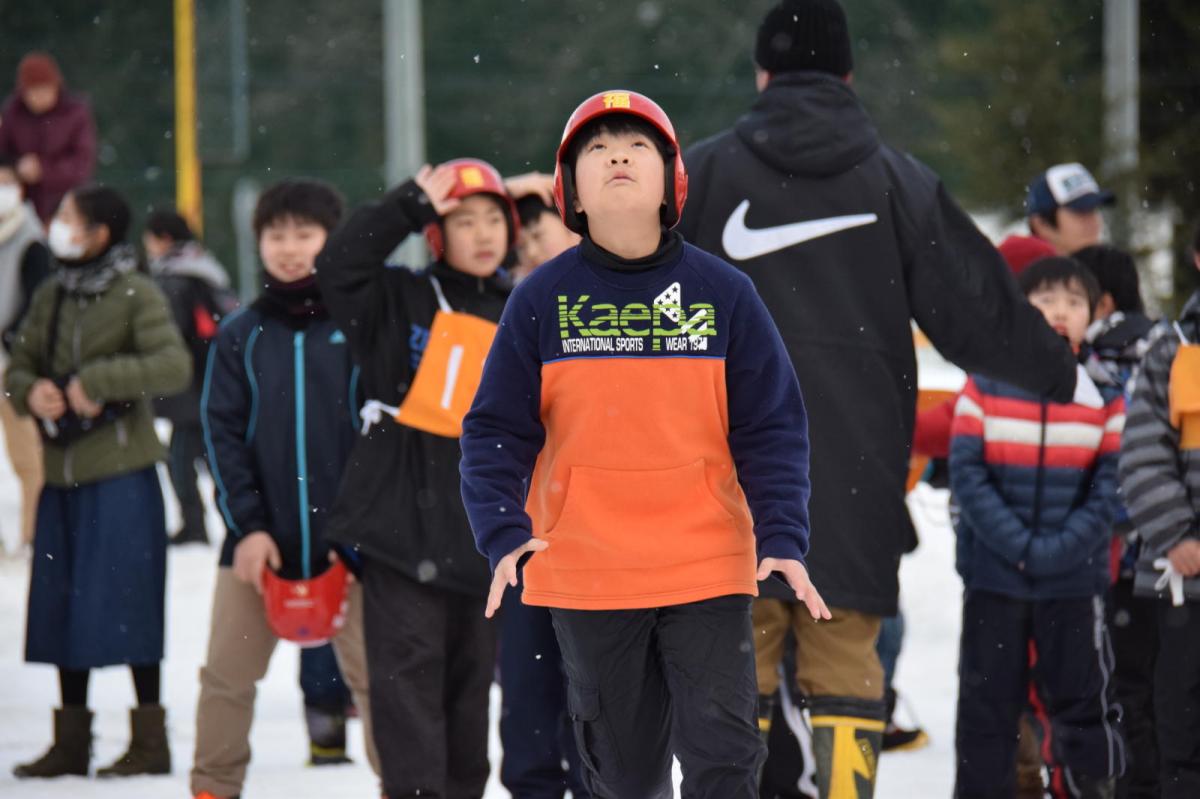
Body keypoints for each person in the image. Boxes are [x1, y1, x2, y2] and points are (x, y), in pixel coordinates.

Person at [677, 2, 1078, 794]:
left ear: (762, 73)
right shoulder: (896, 179)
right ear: (849, 73)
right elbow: (978, 310)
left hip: (731, 469)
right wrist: (1058, 371)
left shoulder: (707, 175)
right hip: (857, 468)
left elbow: (637, 298)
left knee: (737, 657)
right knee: (846, 657)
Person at [461, 89, 828, 799]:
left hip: (706, 564)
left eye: (637, 145)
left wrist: (782, 531)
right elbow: (495, 429)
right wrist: (503, 530)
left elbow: (772, 426)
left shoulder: (726, 293)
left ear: (673, 179)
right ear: (571, 190)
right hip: (589, 570)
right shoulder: (539, 298)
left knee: (725, 761)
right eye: (596, 148)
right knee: (624, 777)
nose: (618, 155)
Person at [316, 158, 517, 799]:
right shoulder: (397, 297)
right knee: (407, 689)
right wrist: (406, 205)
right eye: (465, 221)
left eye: (495, 220)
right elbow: (339, 265)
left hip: (487, 537)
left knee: (469, 695)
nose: (484, 234)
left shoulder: (525, 307)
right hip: (403, 534)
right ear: (437, 233)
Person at [188, 178, 378, 799]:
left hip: (352, 549)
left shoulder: (356, 328)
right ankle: (214, 788)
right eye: (277, 235)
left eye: (305, 234)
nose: (290, 248)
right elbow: (220, 434)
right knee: (225, 679)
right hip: (257, 545)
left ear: (331, 240)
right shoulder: (241, 333)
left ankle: (405, 787)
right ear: (259, 243)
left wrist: (355, 534)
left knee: (383, 682)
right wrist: (248, 529)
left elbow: (377, 441)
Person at [6, 184, 190, 778]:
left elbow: (173, 366)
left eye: (67, 217)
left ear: (100, 233)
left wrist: (99, 380)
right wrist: (29, 389)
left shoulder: (136, 291)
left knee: (131, 604)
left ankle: (149, 737)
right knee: (60, 608)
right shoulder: (52, 292)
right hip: (61, 479)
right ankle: (71, 740)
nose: (58, 226)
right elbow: (19, 364)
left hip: (121, 474)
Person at [951, 256, 1126, 798]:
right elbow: (967, 471)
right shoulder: (986, 384)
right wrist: (1020, 547)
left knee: (1083, 708)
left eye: (1074, 302)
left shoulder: (1105, 393)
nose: (1061, 311)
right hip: (996, 582)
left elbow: (1113, 484)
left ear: (1091, 316)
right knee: (987, 711)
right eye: (1047, 299)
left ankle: (1086, 790)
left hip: (1073, 584)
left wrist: (1058, 550)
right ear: (1020, 308)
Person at [1074, 244, 1162, 799]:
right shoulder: (1174, 345)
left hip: (1109, 556)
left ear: (1099, 300)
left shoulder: (1088, 361)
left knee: (1120, 692)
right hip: (1172, 555)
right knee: (1165, 690)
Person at [1118, 220, 1200, 799]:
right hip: (1186, 585)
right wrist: (1175, 534)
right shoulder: (1174, 349)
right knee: (1183, 729)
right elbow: (1142, 454)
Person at [143, 208, 235, 546]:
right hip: (216, 380)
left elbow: (169, 337)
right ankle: (235, 520)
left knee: (182, 459)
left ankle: (194, 526)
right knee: (218, 458)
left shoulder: (172, 279)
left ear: (164, 239)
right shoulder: (206, 269)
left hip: (189, 387)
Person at [0, 152, 49, 550]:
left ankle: (35, 534)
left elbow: (38, 301)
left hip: (12, 363)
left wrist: (11, 341)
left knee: (27, 453)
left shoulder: (31, 238)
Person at [0, 52, 97, 225]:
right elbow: (3, 152)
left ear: (56, 87)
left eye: (44, 90)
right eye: (32, 92)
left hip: (66, 207)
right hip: (20, 208)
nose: (38, 98)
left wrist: (43, 170)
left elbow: (82, 163)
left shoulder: (76, 112)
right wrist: (13, 169)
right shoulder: (12, 112)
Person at [1026, 163, 1113, 256]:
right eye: (1079, 211)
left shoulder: (1114, 266)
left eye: (1093, 209)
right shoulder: (1024, 269)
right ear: (1042, 225)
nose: (1091, 221)